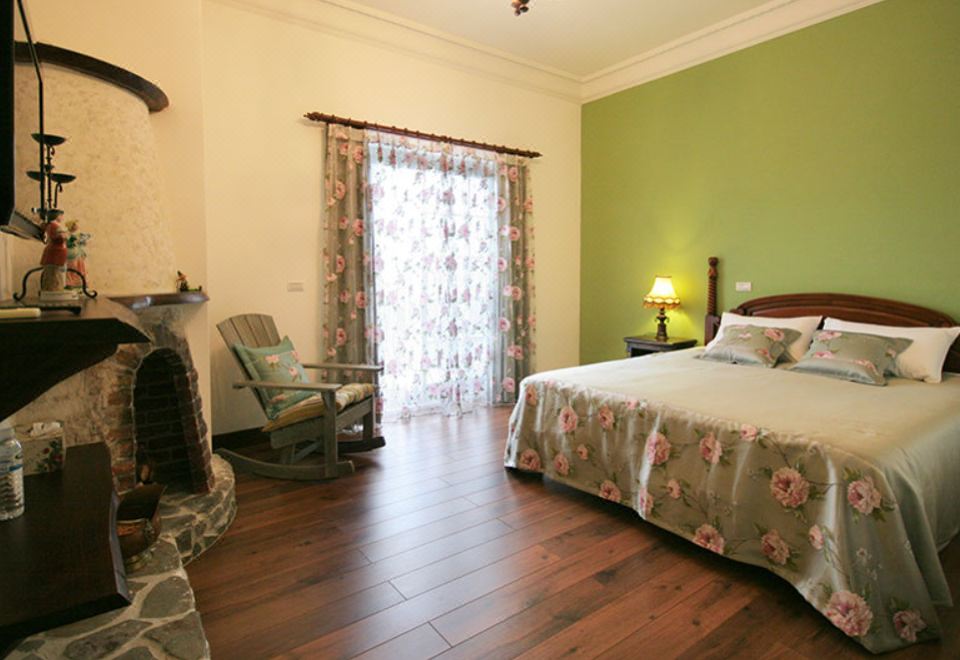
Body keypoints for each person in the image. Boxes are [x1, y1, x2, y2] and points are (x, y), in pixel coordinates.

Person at [39, 213, 68, 292]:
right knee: (53, 274)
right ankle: (53, 290)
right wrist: (64, 235)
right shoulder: (53, 226)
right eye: (61, 215)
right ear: (56, 216)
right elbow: (56, 237)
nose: (62, 217)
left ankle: (55, 289)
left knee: (56, 273)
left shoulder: (54, 225)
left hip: (57, 252)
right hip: (55, 253)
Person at [65, 220, 91, 289]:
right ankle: (70, 284)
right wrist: (72, 242)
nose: (77, 226)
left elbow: (81, 243)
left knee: (80, 268)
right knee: (72, 268)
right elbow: (67, 243)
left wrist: (82, 241)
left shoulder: (78, 235)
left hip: (78, 254)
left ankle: (81, 284)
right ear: (71, 226)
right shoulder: (67, 234)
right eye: (75, 225)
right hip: (71, 254)